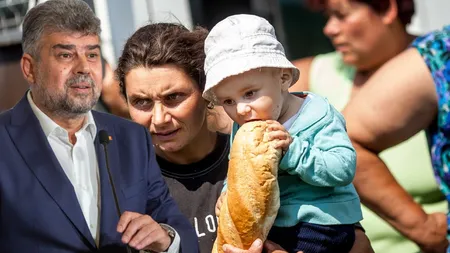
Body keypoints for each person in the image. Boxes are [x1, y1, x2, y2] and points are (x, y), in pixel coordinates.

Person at [0, 0, 199, 252]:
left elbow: (180, 233)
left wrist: (166, 238)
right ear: (30, 68)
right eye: (66, 55)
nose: (83, 68)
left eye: (92, 54)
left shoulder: (132, 138)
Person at [289, 0, 448, 252]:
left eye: (341, 15)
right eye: (327, 16)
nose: (329, 29)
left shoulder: (438, 66)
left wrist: (427, 232)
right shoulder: (313, 75)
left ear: (387, 9)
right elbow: (229, 105)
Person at [203, 14, 363, 253]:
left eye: (249, 93)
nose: (241, 109)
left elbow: (343, 168)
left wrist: (293, 150)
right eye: (228, 100)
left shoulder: (318, 114)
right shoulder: (246, 124)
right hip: (276, 222)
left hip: (322, 221)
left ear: (283, 78)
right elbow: (239, 171)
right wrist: (227, 193)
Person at [115, 23, 230, 253]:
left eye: (173, 97)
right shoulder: (119, 188)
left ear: (208, 92)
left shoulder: (255, 157)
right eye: (141, 102)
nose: (159, 119)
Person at [341, 25, 450, 253]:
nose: (330, 28)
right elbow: (345, 142)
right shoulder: (438, 55)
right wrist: (425, 228)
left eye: (341, 15)